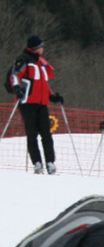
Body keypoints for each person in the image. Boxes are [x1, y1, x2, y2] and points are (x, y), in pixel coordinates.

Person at [7, 35, 63, 175]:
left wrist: (52, 96)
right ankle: (37, 163)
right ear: (35, 47)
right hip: (28, 103)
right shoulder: (24, 59)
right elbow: (14, 75)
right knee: (32, 134)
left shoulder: (41, 63)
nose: (43, 48)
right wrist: (17, 88)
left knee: (46, 134)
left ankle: (50, 162)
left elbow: (43, 84)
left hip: (42, 103)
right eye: (41, 46)